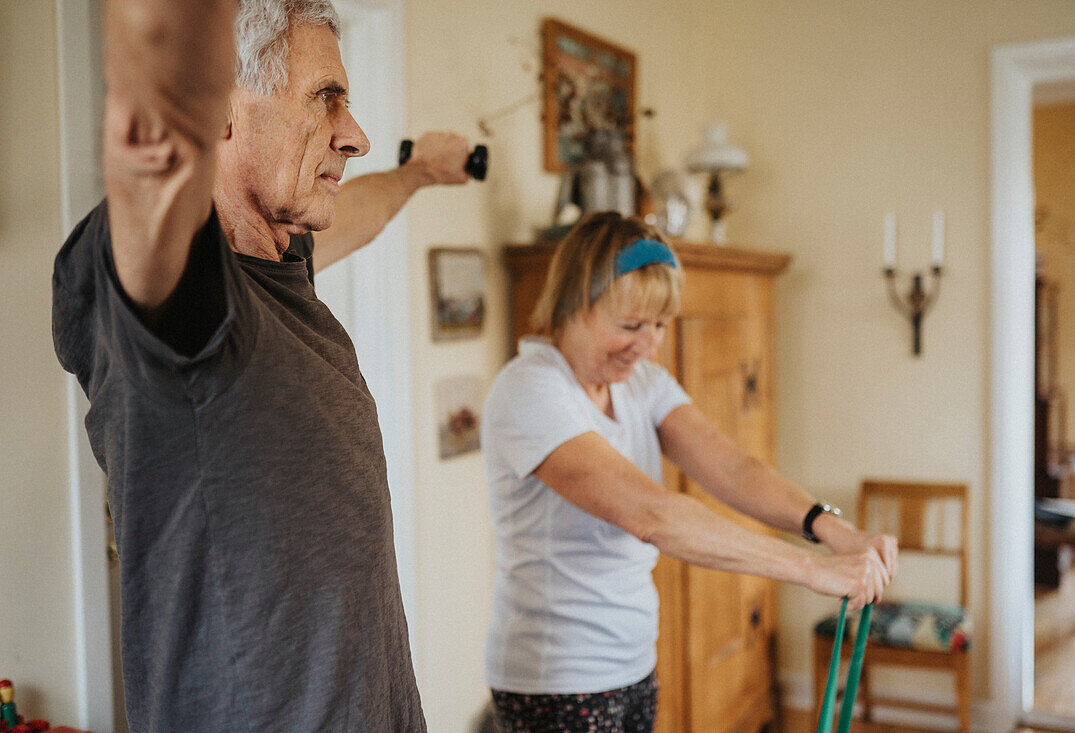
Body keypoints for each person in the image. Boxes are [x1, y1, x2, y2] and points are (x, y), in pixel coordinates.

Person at [52, 0, 469, 729]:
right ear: (215, 108)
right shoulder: (187, 300)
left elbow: (349, 219)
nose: (356, 134)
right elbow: (153, 181)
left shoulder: (274, 270)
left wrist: (419, 174)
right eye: (326, 98)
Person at [481, 212, 899, 733]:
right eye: (631, 325)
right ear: (572, 303)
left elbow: (734, 468)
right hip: (557, 677)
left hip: (632, 661)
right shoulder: (531, 391)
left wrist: (835, 531)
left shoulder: (641, 384)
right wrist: (813, 570)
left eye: (660, 324)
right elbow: (652, 515)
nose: (649, 344)